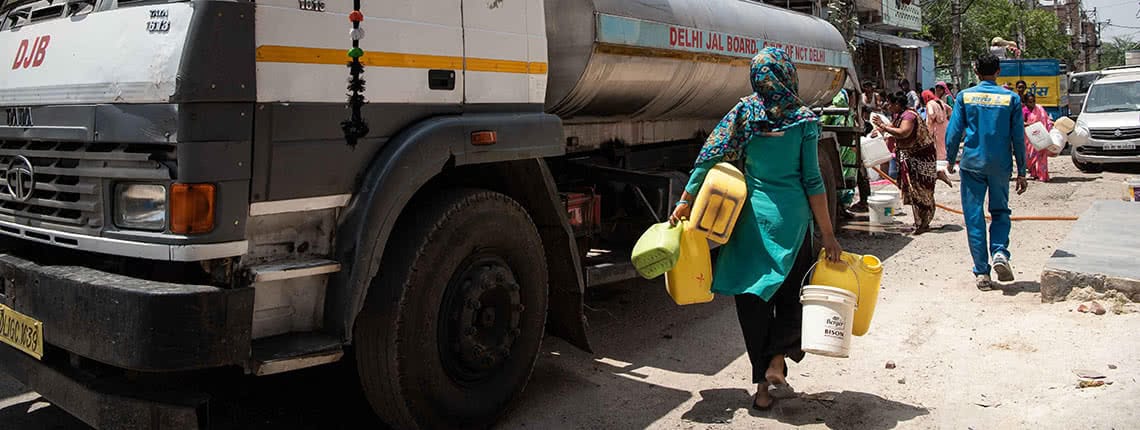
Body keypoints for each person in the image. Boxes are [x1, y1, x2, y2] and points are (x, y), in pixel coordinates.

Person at [670, 47, 843, 411]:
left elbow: (710, 156)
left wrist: (686, 199)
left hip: (750, 220)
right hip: (792, 222)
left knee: (752, 300)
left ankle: (762, 388)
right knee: (793, 296)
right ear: (788, 74)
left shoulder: (745, 113)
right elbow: (813, 181)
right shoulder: (804, 120)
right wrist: (827, 233)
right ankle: (778, 358)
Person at [945, 53, 1028, 291]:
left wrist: (950, 158)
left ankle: (982, 272)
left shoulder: (965, 96)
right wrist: (1021, 170)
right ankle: (1000, 252)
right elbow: (1018, 138)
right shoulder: (1011, 98)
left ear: (976, 71)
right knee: (1000, 211)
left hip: (972, 165)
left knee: (974, 217)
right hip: (1000, 165)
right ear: (999, 71)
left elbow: (954, 131)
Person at [872, 92, 941, 234]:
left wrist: (884, 127)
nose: (887, 106)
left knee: (921, 190)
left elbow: (903, 132)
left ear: (897, 105)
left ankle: (923, 223)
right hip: (910, 156)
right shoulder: (899, 115)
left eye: (889, 104)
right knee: (912, 188)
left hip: (921, 157)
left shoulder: (909, 116)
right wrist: (880, 129)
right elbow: (894, 127)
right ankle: (919, 222)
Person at [1022, 92, 1053, 182]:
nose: (1032, 103)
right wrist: (1027, 124)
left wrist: (1050, 124)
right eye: (1030, 102)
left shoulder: (1039, 109)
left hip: (1040, 135)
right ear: (1026, 102)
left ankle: (1043, 175)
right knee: (1030, 157)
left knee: (1041, 155)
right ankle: (1034, 173)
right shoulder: (1024, 111)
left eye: (1033, 101)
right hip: (1029, 137)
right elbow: (1021, 121)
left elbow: (1046, 120)